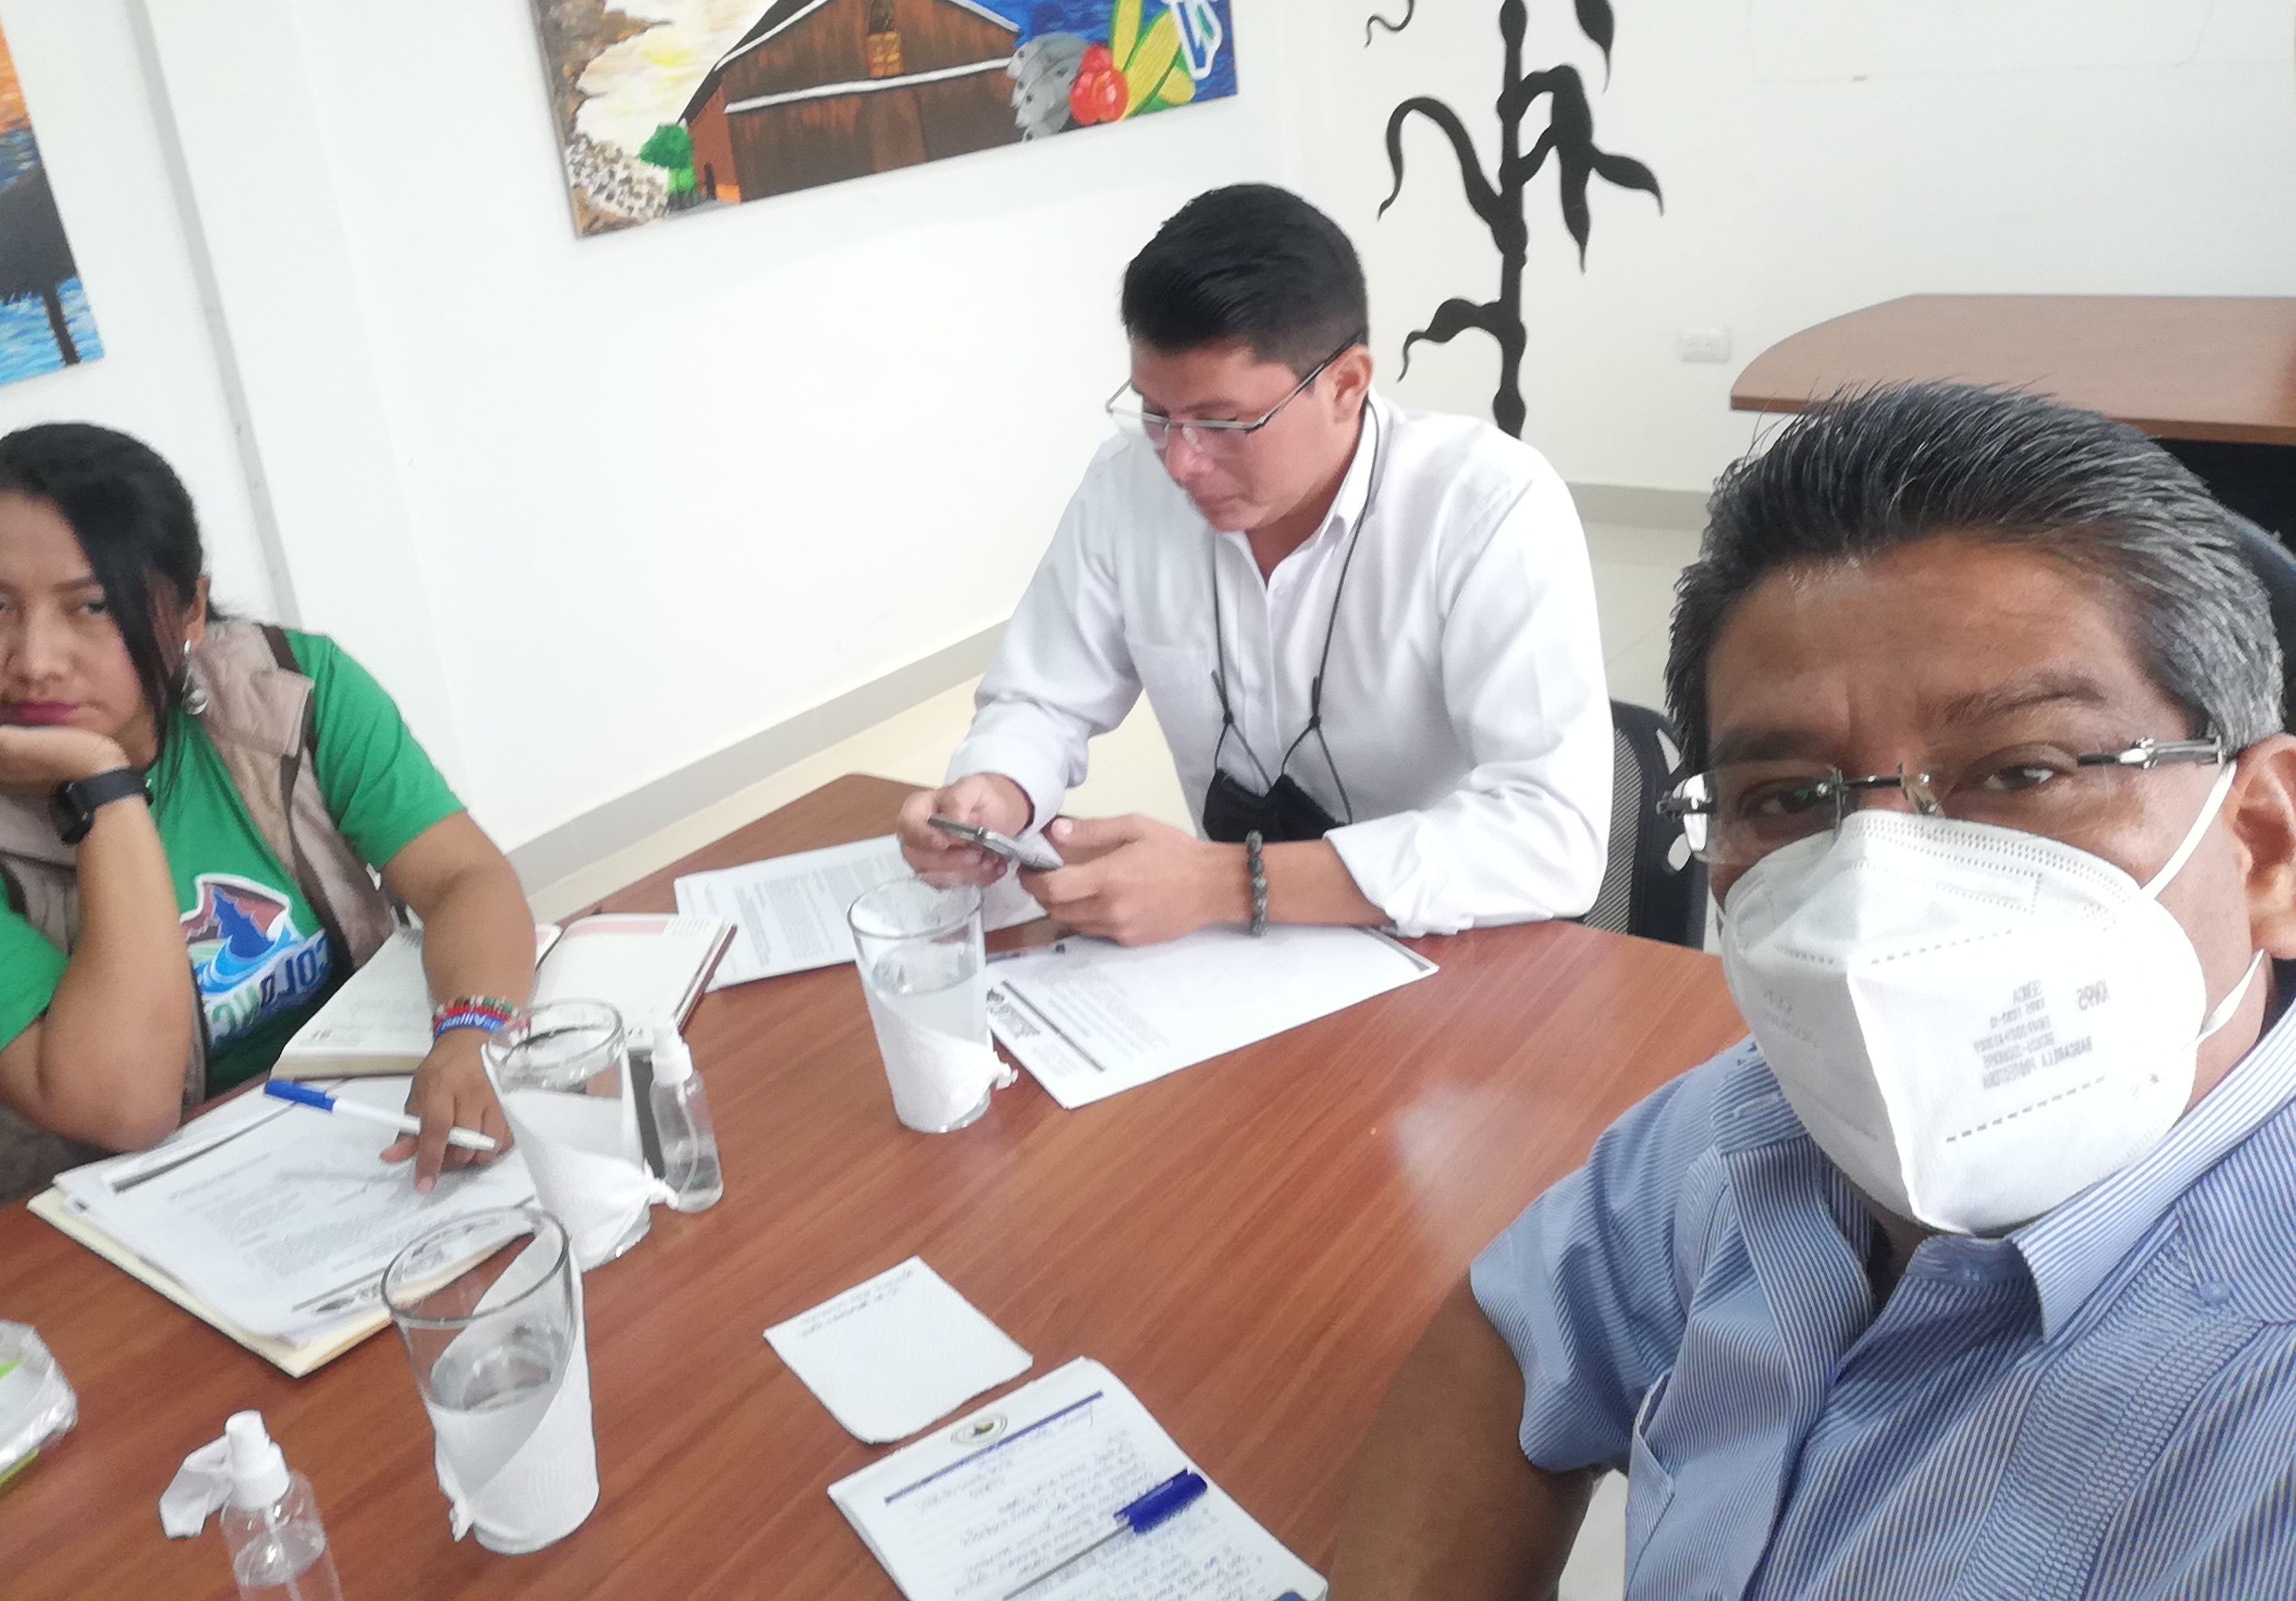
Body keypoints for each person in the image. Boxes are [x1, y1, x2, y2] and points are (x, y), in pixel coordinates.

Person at [1329, 382, 2296, 1600]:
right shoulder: (1754, 1118)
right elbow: (1517, 1337)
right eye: (1790, 799)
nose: (1879, 900)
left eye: (2022, 771)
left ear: (2265, 846)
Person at [0, 423, 538, 1242]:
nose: (35, 660)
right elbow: (126, 1106)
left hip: (352, 1138)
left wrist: (473, 1031)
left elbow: (462, 878)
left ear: (191, 609)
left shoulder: (290, 688)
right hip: (75, 1226)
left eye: (94, 606)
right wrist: (104, 789)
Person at [897, 184, 1612, 945]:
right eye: (1156, 414)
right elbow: (1042, 701)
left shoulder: (1486, 507)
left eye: (1222, 422)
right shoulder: (1126, 489)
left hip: (1450, 947)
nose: (1181, 463)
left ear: (1345, 385)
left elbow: (1552, 831)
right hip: (1237, 957)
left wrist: (1224, 882)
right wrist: (998, 789)